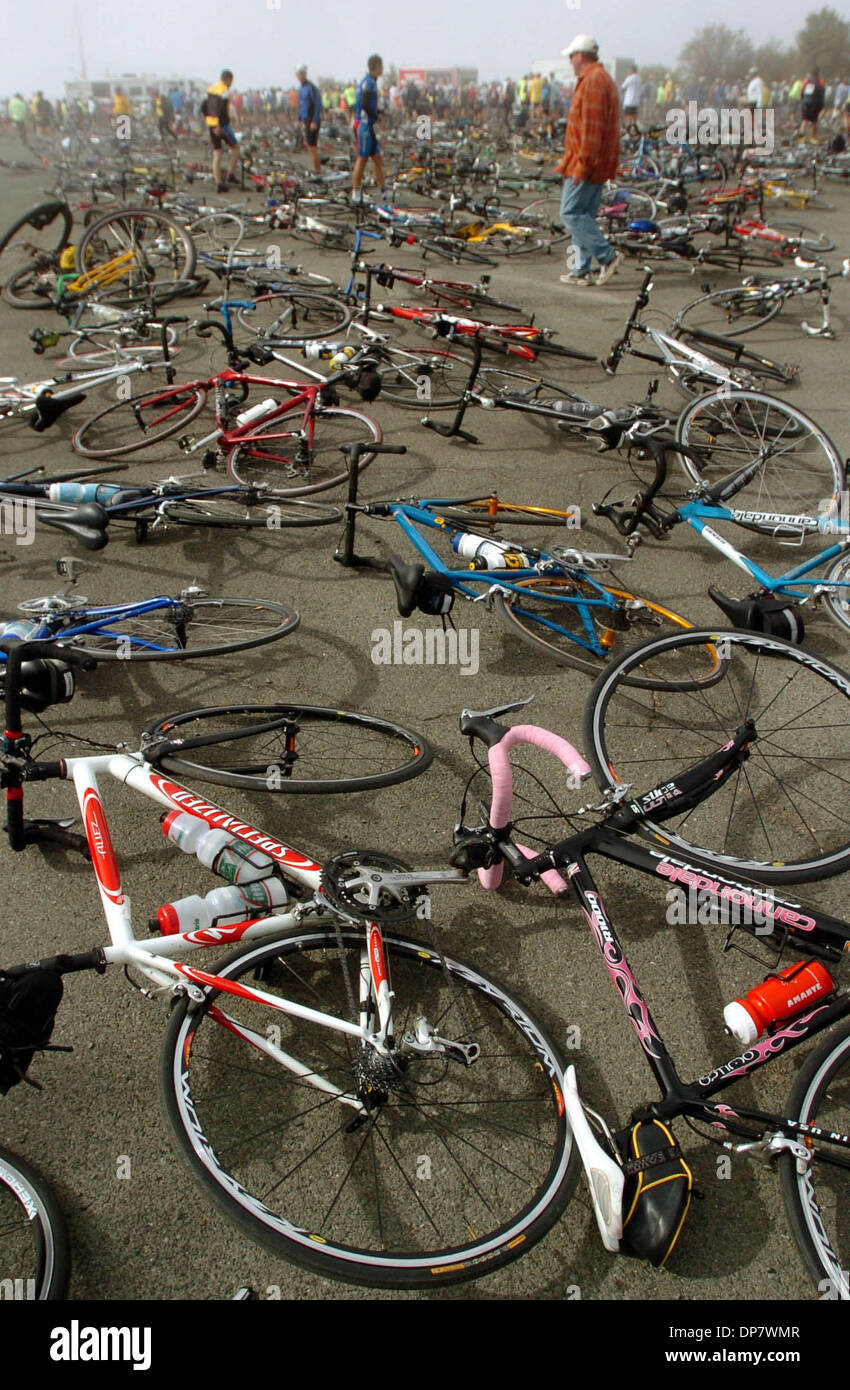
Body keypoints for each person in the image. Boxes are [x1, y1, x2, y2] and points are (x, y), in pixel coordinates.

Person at [556, 34, 622, 287]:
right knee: (583, 215)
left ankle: (608, 257)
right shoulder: (599, 78)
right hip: (597, 162)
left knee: (570, 213)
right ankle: (579, 270)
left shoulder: (593, 81)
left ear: (580, 56)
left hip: (586, 162)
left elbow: (591, 131)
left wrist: (581, 166)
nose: (570, 62)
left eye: (571, 57)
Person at [352, 54, 386, 204]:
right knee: (362, 160)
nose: (383, 69)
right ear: (377, 67)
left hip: (368, 125)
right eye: (382, 66)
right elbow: (365, 104)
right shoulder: (369, 83)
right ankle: (355, 193)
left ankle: (384, 193)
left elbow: (367, 104)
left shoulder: (369, 82)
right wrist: (378, 118)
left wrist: (379, 112)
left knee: (378, 159)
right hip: (364, 126)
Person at [203, 68, 239, 192]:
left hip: (211, 124)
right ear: (228, 79)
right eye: (231, 80)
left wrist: (211, 123)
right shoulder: (224, 91)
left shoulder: (211, 89)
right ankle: (230, 174)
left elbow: (204, 107)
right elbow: (221, 110)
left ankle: (219, 183)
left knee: (217, 153)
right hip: (221, 125)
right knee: (236, 147)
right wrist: (219, 125)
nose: (231, 83)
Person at [296, 65, 322, 173]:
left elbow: (318, 104)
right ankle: (317, 169)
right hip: (306, 119)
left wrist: (314, 121)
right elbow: (302, 105)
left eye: (302, 73)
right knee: (310, 146)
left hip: (312, 119)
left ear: (305, 74)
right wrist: (299, 119)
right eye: (298, 74)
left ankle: (317, 171)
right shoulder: (301, 88)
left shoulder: (311, 87)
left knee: (312, 147)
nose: (300, 76)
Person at [800, 69, 825, 138]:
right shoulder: (821, 81)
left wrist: (803, 100)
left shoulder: (807, 80)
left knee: (804, 120)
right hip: (816, 103)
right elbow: (822, 92)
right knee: (814, 120)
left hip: (806, 102)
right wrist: (822, 105)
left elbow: (802, 91)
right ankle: (814, 137)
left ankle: (801, 137)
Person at [621, 65, 642, 134]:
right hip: (636, 101)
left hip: (629, 101)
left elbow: (623, 88)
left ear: (631, 70)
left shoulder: (629, 78)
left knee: (628, 117)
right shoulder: (639, 79)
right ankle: (635, 130)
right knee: (634, 117)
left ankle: (628, 131)